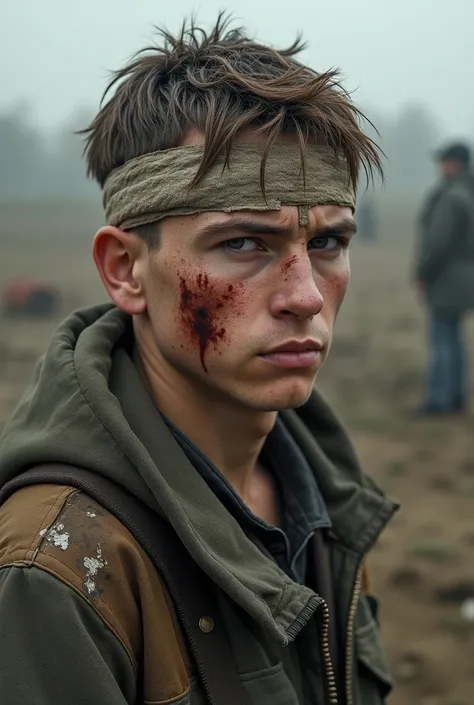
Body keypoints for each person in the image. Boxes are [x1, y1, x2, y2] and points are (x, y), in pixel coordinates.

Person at [0, 16, 397, 705]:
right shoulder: (58, 567)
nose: (306, 294)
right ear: (125, 269)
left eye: (329, 242)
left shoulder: (328, 495)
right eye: (244, 243)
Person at [414, 142, 474, 415]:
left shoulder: (451, 197)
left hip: (447, 279)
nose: (441, 167)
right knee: (454, 339)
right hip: (465, 278)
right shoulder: (468, 193)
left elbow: (438, 243)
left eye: (445, 161)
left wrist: (423, 272)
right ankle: (457, 395)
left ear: (456, 164)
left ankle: (439, 400)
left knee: (442, 340)